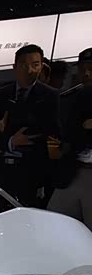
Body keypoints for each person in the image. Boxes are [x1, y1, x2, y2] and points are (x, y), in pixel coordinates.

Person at [0, 44, 61, 208]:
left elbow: (54, 133)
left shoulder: (52, 97)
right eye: (24, 65)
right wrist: (8, 141)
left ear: (42, 66)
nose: (30, 70)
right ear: (14, 67)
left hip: (33, 172)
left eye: (35, 65)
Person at [48, 48, 92, 231]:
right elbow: (65, 133)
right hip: (73, 169)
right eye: (82, 69)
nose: (86, 74)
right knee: (55, 226)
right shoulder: (68, 99)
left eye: (91, 69)